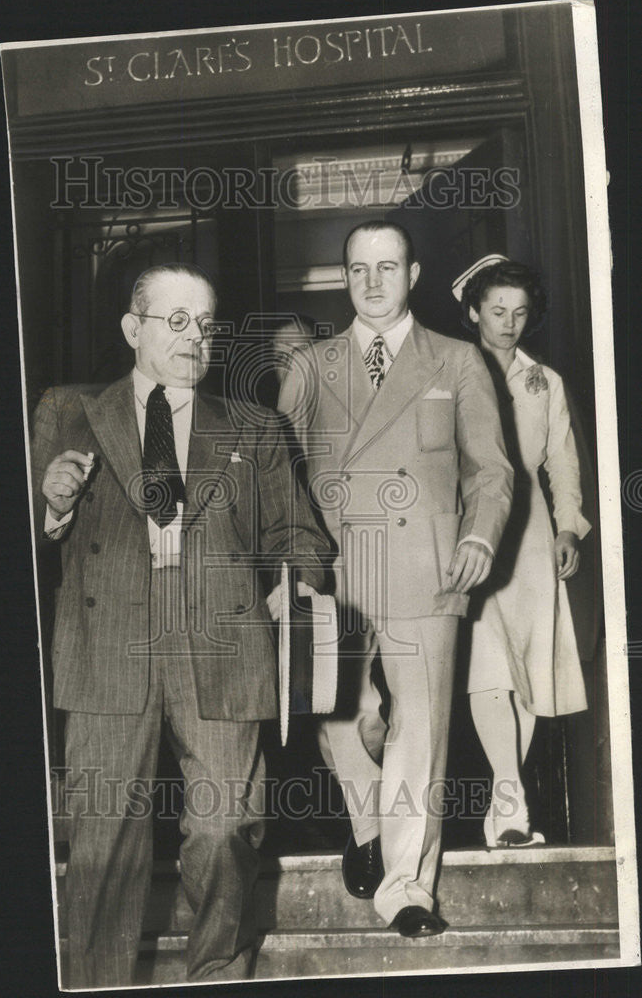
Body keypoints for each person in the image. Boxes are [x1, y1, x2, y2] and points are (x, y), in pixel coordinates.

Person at [31, 263, 330, 987]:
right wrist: (50, 501)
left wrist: (292, 583)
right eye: (176, 320)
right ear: (133, 329)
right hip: (105, 648)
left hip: (223, 642)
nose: (195, 337)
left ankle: (217, 971)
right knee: (102, 842)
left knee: (226, 828)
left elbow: (303, 537)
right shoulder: (68, 412)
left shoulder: (255, 426)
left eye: (205, 323)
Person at [278, 222, 513, 937]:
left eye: (387, 267)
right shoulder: (311, 367)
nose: (372, 281)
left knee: (421, 730)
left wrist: (477, 535)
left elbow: (491, 470)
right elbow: (271, 470)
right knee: (347, 719)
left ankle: (406, 888)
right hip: (335, 567)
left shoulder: (458, 360)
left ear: (412, 273)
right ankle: (366, 820)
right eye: (357, 269)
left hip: (428, 564)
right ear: (344, 278)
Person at [456, 256, 590, 847]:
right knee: (488, 664)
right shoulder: (453, 370)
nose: (509, 323)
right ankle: (510, 801)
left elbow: (561, 460)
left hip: (533, 530)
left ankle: (505, 805)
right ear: (473, 312)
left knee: (533, 667)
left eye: (519, 313)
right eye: (497, 311)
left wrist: (567, 528)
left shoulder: (546, 380)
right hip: (476, 524)